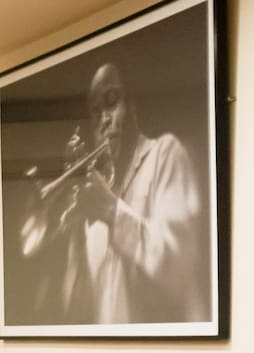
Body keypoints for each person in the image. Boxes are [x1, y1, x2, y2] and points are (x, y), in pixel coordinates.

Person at [26, 62, 211, 325]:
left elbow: (178, 268)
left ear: (132, 105)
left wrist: (112, 212)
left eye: (112, 102)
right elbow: (78, 313)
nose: (104, 120)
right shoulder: (96, 196)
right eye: (95, 113)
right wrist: (77, 237)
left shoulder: (165, 154)